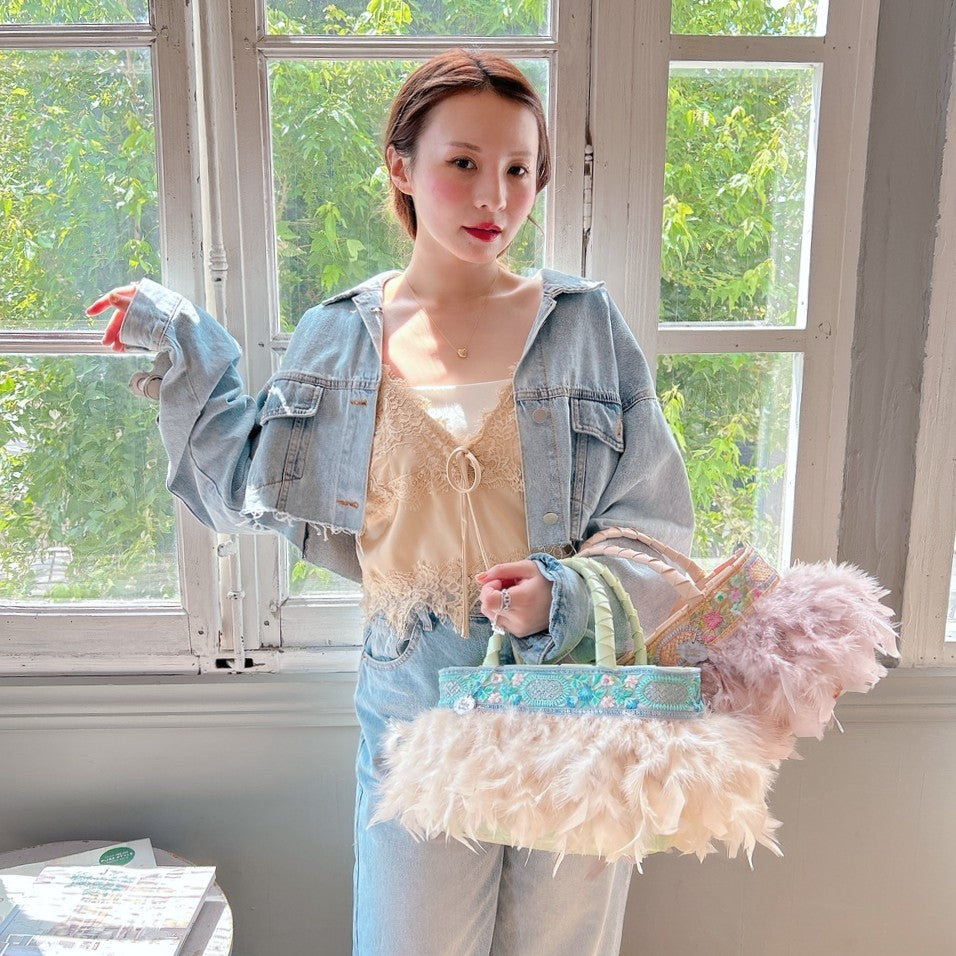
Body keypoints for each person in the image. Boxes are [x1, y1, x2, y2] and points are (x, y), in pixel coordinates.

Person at [88, 49, 693, 956]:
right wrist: (183, 338)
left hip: (572, 688)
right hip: (414, 690)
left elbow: (655, 522)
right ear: (401, 167)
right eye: (464, 163)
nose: (495, 197)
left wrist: (560, 595)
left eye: (519, 169)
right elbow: (246, 478)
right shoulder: (339, 334)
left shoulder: (584, 324)